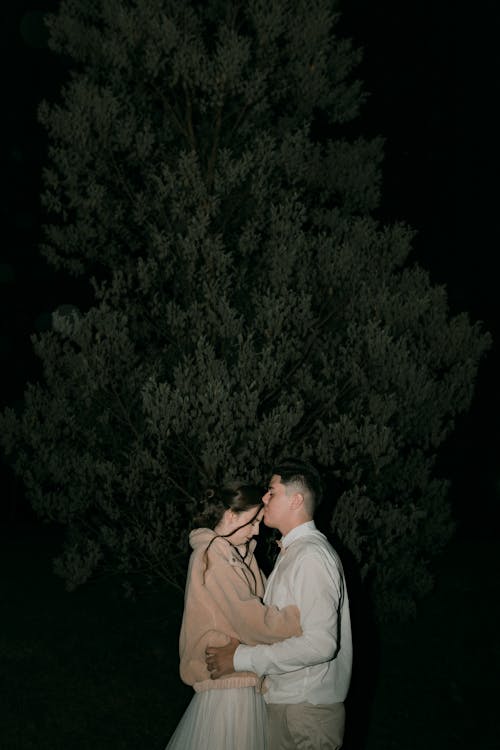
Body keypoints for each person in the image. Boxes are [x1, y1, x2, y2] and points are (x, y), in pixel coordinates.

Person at [206, 459, 352, 750]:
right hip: (289, 705)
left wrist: (239, 659)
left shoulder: (311, 556)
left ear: (296, 500)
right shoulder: (294, 553)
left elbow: (321, 645)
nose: (263, 498)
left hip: (307, 712)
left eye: (271, 492)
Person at [165, 482, 302, 750]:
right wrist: (299, 620)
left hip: (240, 678)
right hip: (228, 688)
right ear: (230, 516)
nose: (256, 530)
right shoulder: (213, 556)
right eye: (253, 521)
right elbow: (251, 619)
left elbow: (264, 599)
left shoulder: (233, 553)